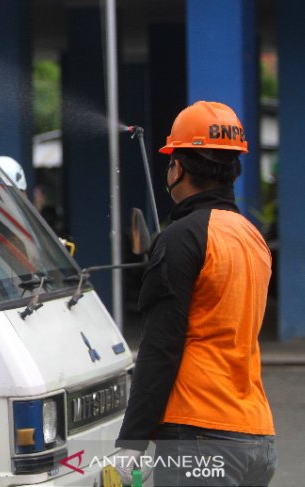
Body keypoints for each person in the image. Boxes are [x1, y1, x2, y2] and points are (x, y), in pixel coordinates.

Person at [113, 101, 277, 486]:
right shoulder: (252, 237)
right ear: (233, 167)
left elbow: (160, 346)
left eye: (171, 161)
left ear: (180, 167)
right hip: (256, 436)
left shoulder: (182, 237)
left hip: (200, 437)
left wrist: (131, 443)